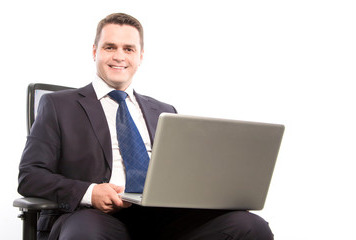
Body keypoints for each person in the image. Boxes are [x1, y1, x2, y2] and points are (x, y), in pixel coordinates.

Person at [18, 13, 274, 240]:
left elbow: (181, 175)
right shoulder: (58, 105)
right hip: (94, 216)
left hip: (161, 218)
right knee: (86, 234)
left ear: (141, 56)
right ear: (95, 51)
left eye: (129, 49)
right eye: (110, 47)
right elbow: (30, 176)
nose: (119, 56)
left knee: (249, 226)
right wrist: (90, 191)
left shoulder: (164, 111)